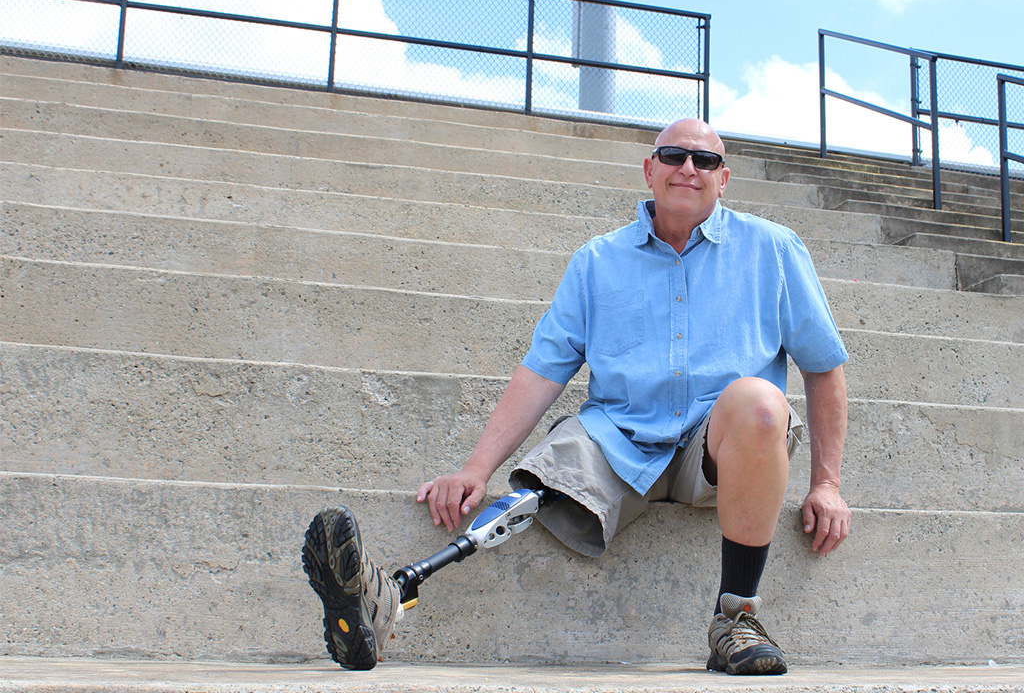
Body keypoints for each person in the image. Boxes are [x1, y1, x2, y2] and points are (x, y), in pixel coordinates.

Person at [302, 118, 851, 676]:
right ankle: (389, 596)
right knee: (535, 484)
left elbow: (824, 368)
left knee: (761, 402)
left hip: (715, 453)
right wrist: (476, 467)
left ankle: (736, 618)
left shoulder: (774, 250)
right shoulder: (597, 261)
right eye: (673, 156)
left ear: (724, 179)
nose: (688, 168)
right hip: (619, 442)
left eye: (705, 161)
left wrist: (826, 484)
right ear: (649, 170)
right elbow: (543, 369)